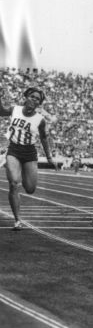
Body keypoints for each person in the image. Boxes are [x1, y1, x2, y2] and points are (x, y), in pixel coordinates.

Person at [0, 87, 58, 230]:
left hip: (29, 153)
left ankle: (23, 175)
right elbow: (1, 111)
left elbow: (44, 139)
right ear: (26, 97)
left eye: (38, 99)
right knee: (14, 183)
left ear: (39, 103)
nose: (34, 100)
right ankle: (17, 220)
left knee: (30, 188)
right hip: (13, 149)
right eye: (32, 97)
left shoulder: (40, 119)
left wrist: (49, 157)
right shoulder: (15, 109)